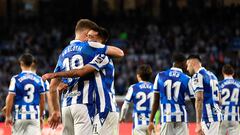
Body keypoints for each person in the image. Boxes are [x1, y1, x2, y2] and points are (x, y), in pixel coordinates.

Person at [48, 19, 124, 135]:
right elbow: (119, 52)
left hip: (66, 105)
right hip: (84, 104)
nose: (90, 37)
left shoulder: (63, 53)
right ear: (88, 33)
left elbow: (53, 87)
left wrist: (55, 111)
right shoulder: (91, 46)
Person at [148, 53, 195, 135]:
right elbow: (194, 101)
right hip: (181, 117)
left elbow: (156, 101)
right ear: (183, 63)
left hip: (166, 117)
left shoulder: (160, 76)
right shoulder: (186, 78)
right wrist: (200, 120)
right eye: (186, 63)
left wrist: (151, 120)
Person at [5, 53, 46, 135]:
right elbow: (42, 100)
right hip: (34, 116)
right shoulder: (39, 79)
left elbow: (10, 98)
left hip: (20, 115)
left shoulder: (15, 79)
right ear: (32, 64)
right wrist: (41, 116)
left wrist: (8, 115)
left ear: (21, 63)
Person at [186, 54, 221, 135]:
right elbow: (219, 99)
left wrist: (198, 123)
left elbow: (199, 99)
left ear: (193, 63)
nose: (187, 69)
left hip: (208, 118)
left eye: (187, 65)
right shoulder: (213, 76)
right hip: (216, 116)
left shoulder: (197, 76)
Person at [119, 64, 154, 135]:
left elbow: (126, 105)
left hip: (138, 123)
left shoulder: (133, 87)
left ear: (138, 75)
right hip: (151, 123)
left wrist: (122, 117)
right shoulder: (155, 88)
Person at [219, 64, 240, 135]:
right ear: (233, 73)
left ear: (223, 73)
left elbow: (217, 102)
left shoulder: (219, 85)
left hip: (222, 117)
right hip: (235, 117)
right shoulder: (239, 84)